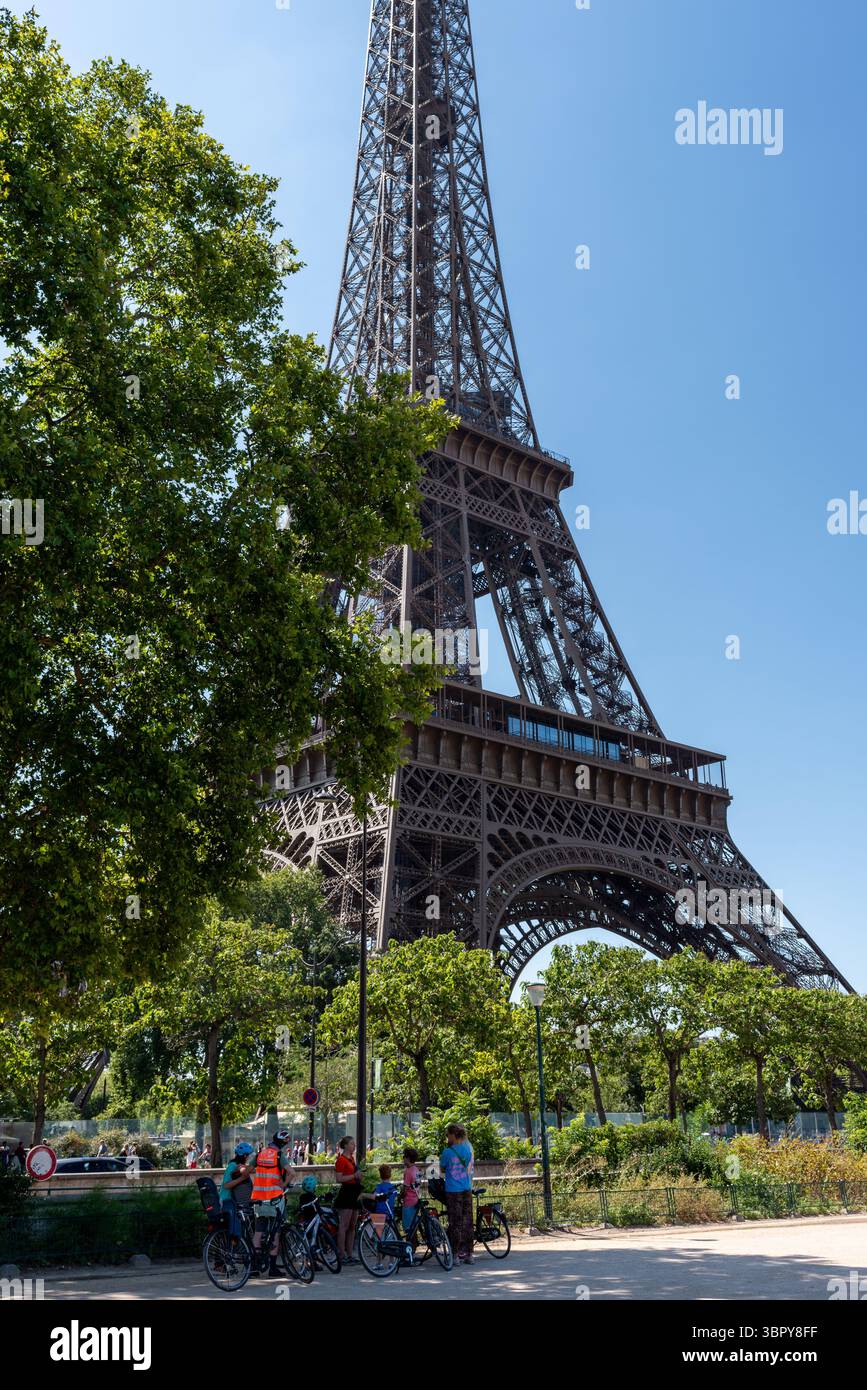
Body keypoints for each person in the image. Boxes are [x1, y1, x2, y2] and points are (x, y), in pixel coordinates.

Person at [251, 1129, 296, 1277]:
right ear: (283, 1142)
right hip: (275, 1199)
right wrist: (283, 1184)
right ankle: (272, 1268)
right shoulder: (279, 1155)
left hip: (259, 1198)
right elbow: (292, 1173)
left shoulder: (260, 1154)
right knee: (275, 1232)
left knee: (258, 1233)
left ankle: (254, 1267)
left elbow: (248, 1170)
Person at [440, 1122, 475, 1264]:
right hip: (466, 1188)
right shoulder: (467, 1150)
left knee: (455, 1222)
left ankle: (454, 1255)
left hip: (453, 1190)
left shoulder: (447, 1152)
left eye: (448, 1135)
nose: (447, 1138)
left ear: (453, 1135)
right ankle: (469, 1254)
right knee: (467, 1221)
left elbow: (442, 1169)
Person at [333, 1136, 362, 1263]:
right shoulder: (341, 1160)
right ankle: (341, 1254)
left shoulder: (352, 1159)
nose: (354, 1146)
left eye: (354, 1144)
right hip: (347, 1192)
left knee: (352, 1225)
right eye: (351, 1144)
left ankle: (350, 1254)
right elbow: (338, 1179)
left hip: (354, 1192)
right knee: (343, 1225)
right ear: (345, 1146)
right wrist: (354, 1175)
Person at [219, 1141, 254, 1239]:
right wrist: (241, 1179)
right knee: (236, 1229)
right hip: (227, 1201)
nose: (249, 1157)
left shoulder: (237, 1165)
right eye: (248, 1155)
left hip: (233, 1201)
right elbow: (226, 1185)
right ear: (244, 1156)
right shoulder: (233, 1166)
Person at [400, 1146, 421, 1243]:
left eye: (404, 1156)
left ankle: (410, 1249)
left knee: (408, 1228)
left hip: (408, 1202)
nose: (403, 1158)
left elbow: (405, 1189)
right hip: (416, 1200)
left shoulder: (408, 1171)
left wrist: (400, 1197)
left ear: (407, 1158)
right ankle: (414, 1246)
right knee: (414, 1226)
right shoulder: (416, 1169)